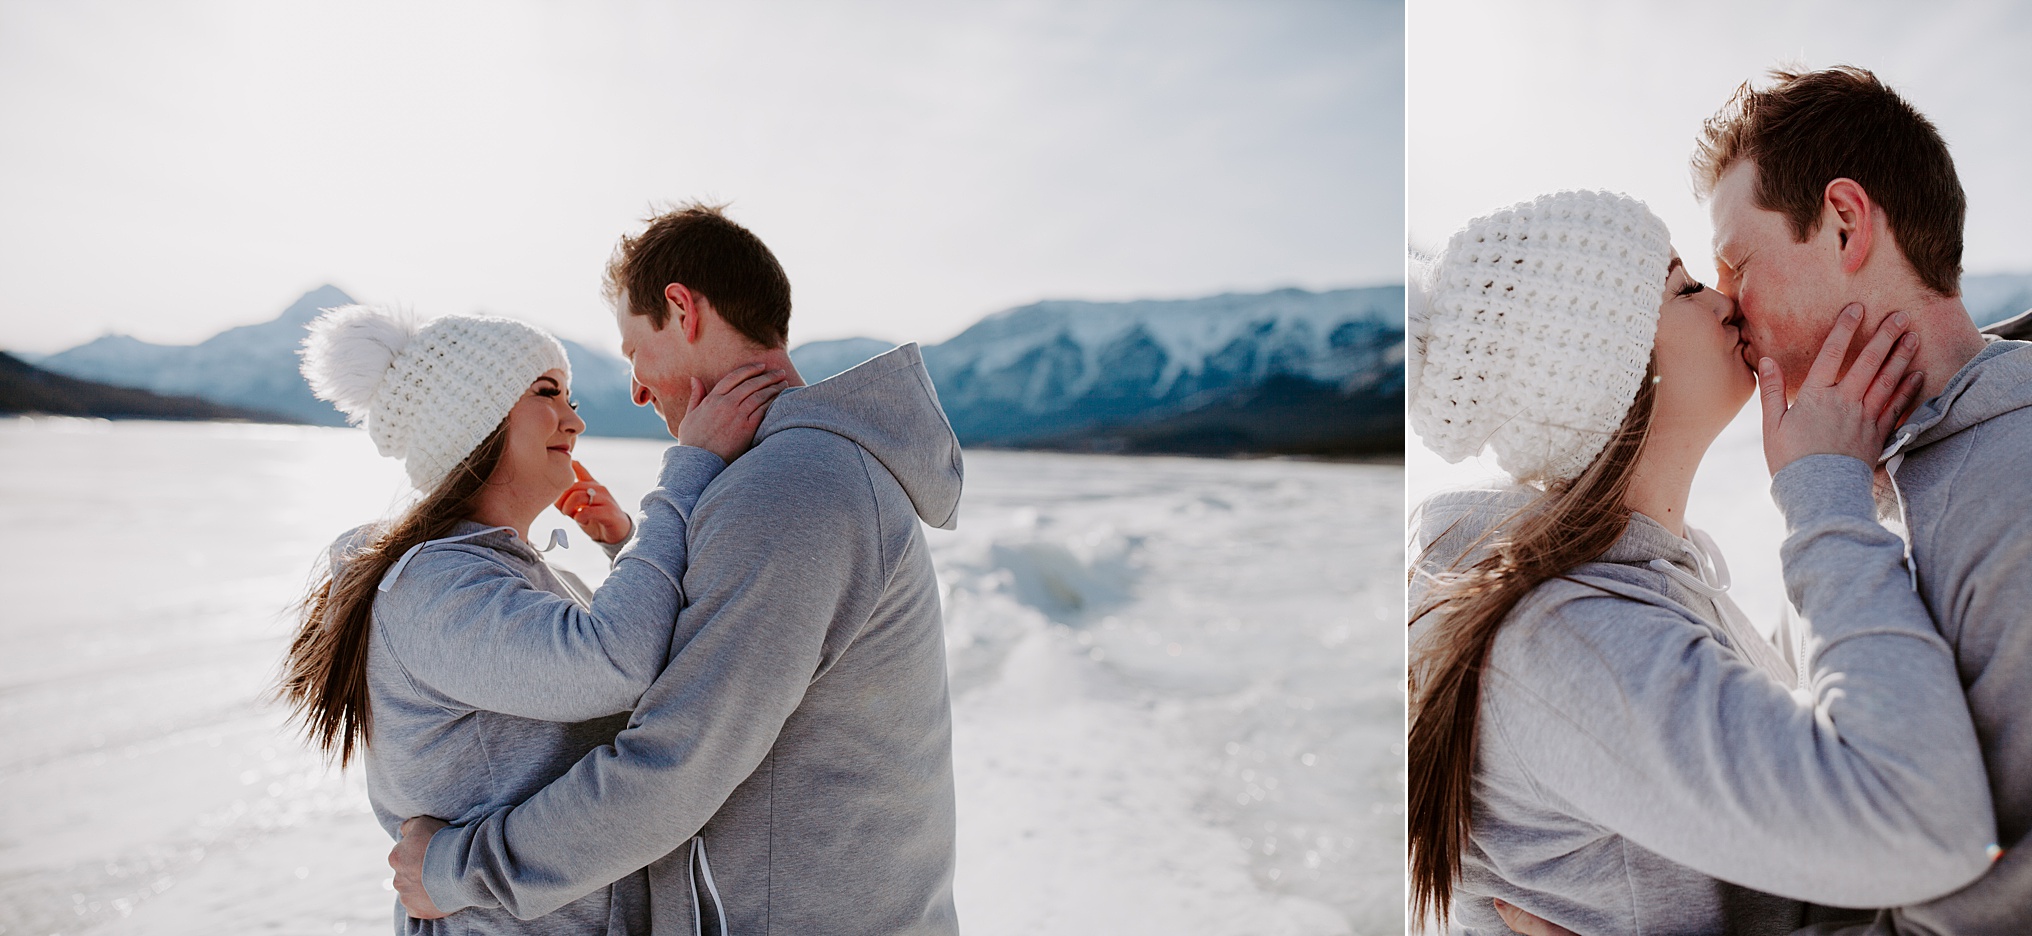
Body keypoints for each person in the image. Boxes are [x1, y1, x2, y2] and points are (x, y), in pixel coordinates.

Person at [1495, 67, 2032, 935]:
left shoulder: (2010, 496)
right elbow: (1828, 843)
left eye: (1736, 262)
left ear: (1847, 222)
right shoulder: (1853, 486)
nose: (1728, 302)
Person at [385, 203, 966, 935]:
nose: (631, 391)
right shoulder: (791, 478)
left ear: (682, 310)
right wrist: (633, 543)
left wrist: (456, 871)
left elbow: (673, 766)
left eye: (634, 352)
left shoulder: (790, 488)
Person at [279, 304, 785, 933]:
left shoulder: (507, 579)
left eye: (569, 396)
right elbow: (613, 662)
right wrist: (688, 470)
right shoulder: (433, 589)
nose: (574, 420)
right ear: (475, 421)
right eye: (547, 393)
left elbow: (644, 669)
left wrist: (624, 544)